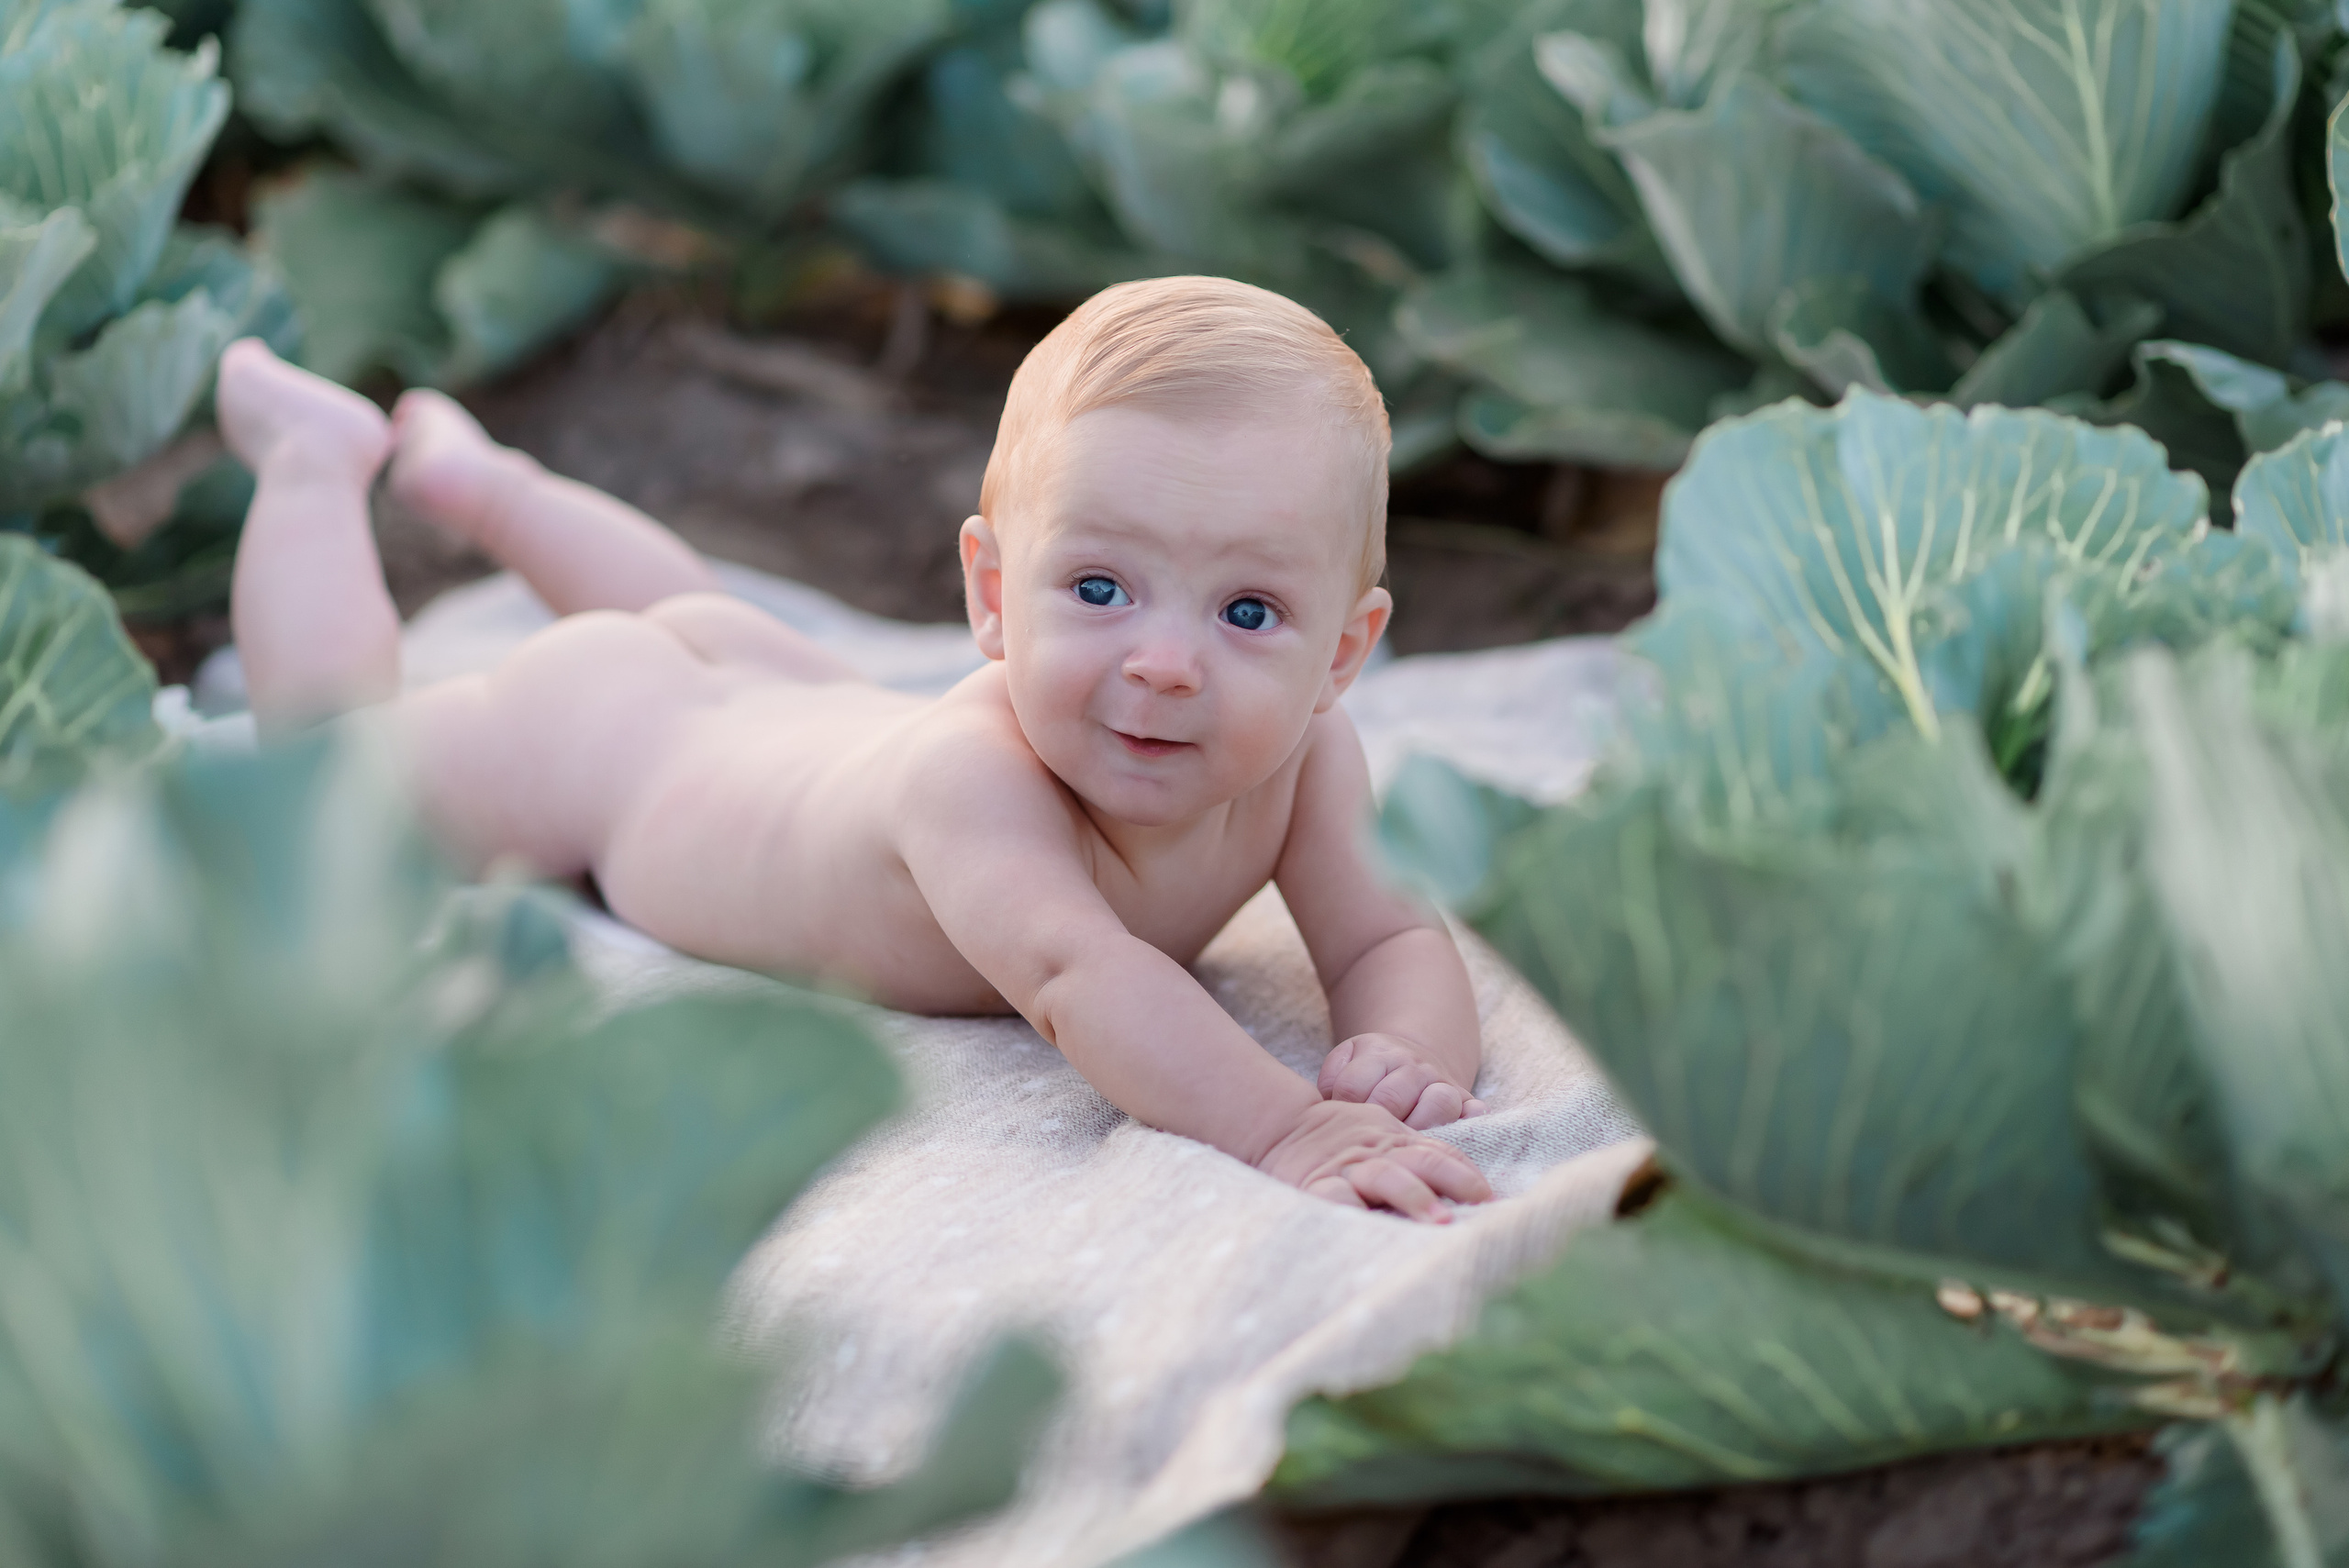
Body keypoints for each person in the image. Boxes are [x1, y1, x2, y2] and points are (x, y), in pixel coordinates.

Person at [214, 274, 1495, 1220]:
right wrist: (1288, 1129)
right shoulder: (975, 780)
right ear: (992, 596)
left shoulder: (1312, 761)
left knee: (703, 622)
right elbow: (1078, 976)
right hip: (617, 752)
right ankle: (314, 464)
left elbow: (1391, 936)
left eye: (1249, 612)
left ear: (1342, 651)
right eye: (1099, 588)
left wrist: (1415, 1055)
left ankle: (487, 489)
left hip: (782, 694)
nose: (1164, 661)